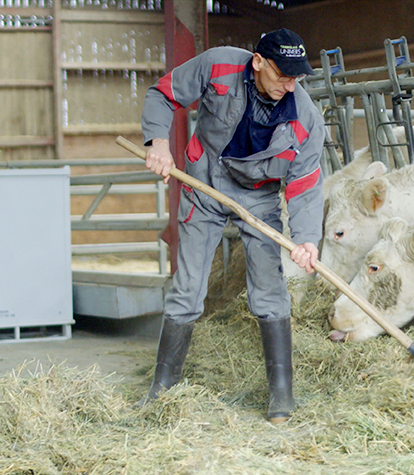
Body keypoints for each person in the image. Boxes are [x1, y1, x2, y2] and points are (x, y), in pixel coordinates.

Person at [139, 28, 325, 423]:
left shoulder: (306, 116)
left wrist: (308, 240)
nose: (290, 85)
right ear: (258, 62)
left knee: (269, 289)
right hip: (204, 181)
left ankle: (281, 395)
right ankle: (161, 392)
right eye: (282, 74)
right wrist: (157, 142)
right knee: (188, 288)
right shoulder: (219, 64)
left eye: (297, 77)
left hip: (259, 195)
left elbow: (305, 184)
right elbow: (163, 93)